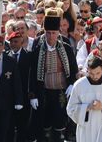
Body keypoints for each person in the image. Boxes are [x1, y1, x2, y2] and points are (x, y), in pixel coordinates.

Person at [29, 8, 78, 141]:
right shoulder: (38, 47)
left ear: (59, 32)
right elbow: (32, 72)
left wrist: (72, 84)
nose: (51, 36)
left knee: (60, 118)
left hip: (61, 90)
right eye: (48, 33)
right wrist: (32, 95)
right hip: (43, 90)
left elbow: (74, 68)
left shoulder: (66, 47)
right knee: (44, 119)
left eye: (54, 33)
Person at [6, 31, 33, 142]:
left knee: (23, 123)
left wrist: (32, 93)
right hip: (9, 96)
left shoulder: (29, 56)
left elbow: (32, 77)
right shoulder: (6, 55)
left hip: (24, 95)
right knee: (9, 124)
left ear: (22, 42)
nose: (13, 44)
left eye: (16, 41)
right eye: (11, 42)